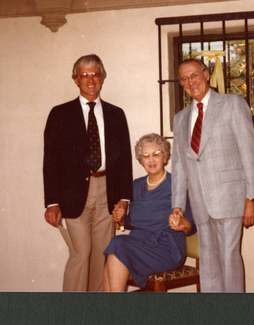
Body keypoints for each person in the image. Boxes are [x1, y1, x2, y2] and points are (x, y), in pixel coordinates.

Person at [43, 54, 133, 292]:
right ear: (76, 80)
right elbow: (50, 160)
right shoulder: (59, 114)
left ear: (102, 77)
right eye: (84, 75)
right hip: (72, 195)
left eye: (95, 74)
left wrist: (124, 199)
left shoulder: (116, 114)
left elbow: (124, 161)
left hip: (107, 192)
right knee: (80, 254)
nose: (90, 80)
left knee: (102, 255)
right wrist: (52, 201)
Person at [171, 58, 254, 292]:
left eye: (195, 75)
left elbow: (249, 152)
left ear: (207, 74)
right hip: (200, 203)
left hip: (230, 198)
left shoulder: (232, 104)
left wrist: (250, 198)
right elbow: (179, 166)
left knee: (229, 260)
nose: (191, 82)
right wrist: (177, 206)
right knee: (209, 266)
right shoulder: (180, 119)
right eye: (184, 79)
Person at [103, 133, 195, 292]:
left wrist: (182, 224)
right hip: (138, 243)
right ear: (141, 160)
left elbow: (191, 227)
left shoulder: (177, 185)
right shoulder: (135, 186)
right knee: (115, 250)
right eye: (146, 156)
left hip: (166, 249)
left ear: (165, 157)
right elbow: (131, 222)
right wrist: (121, 220)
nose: (151, 160)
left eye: (156, 154)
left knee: (117, 246)